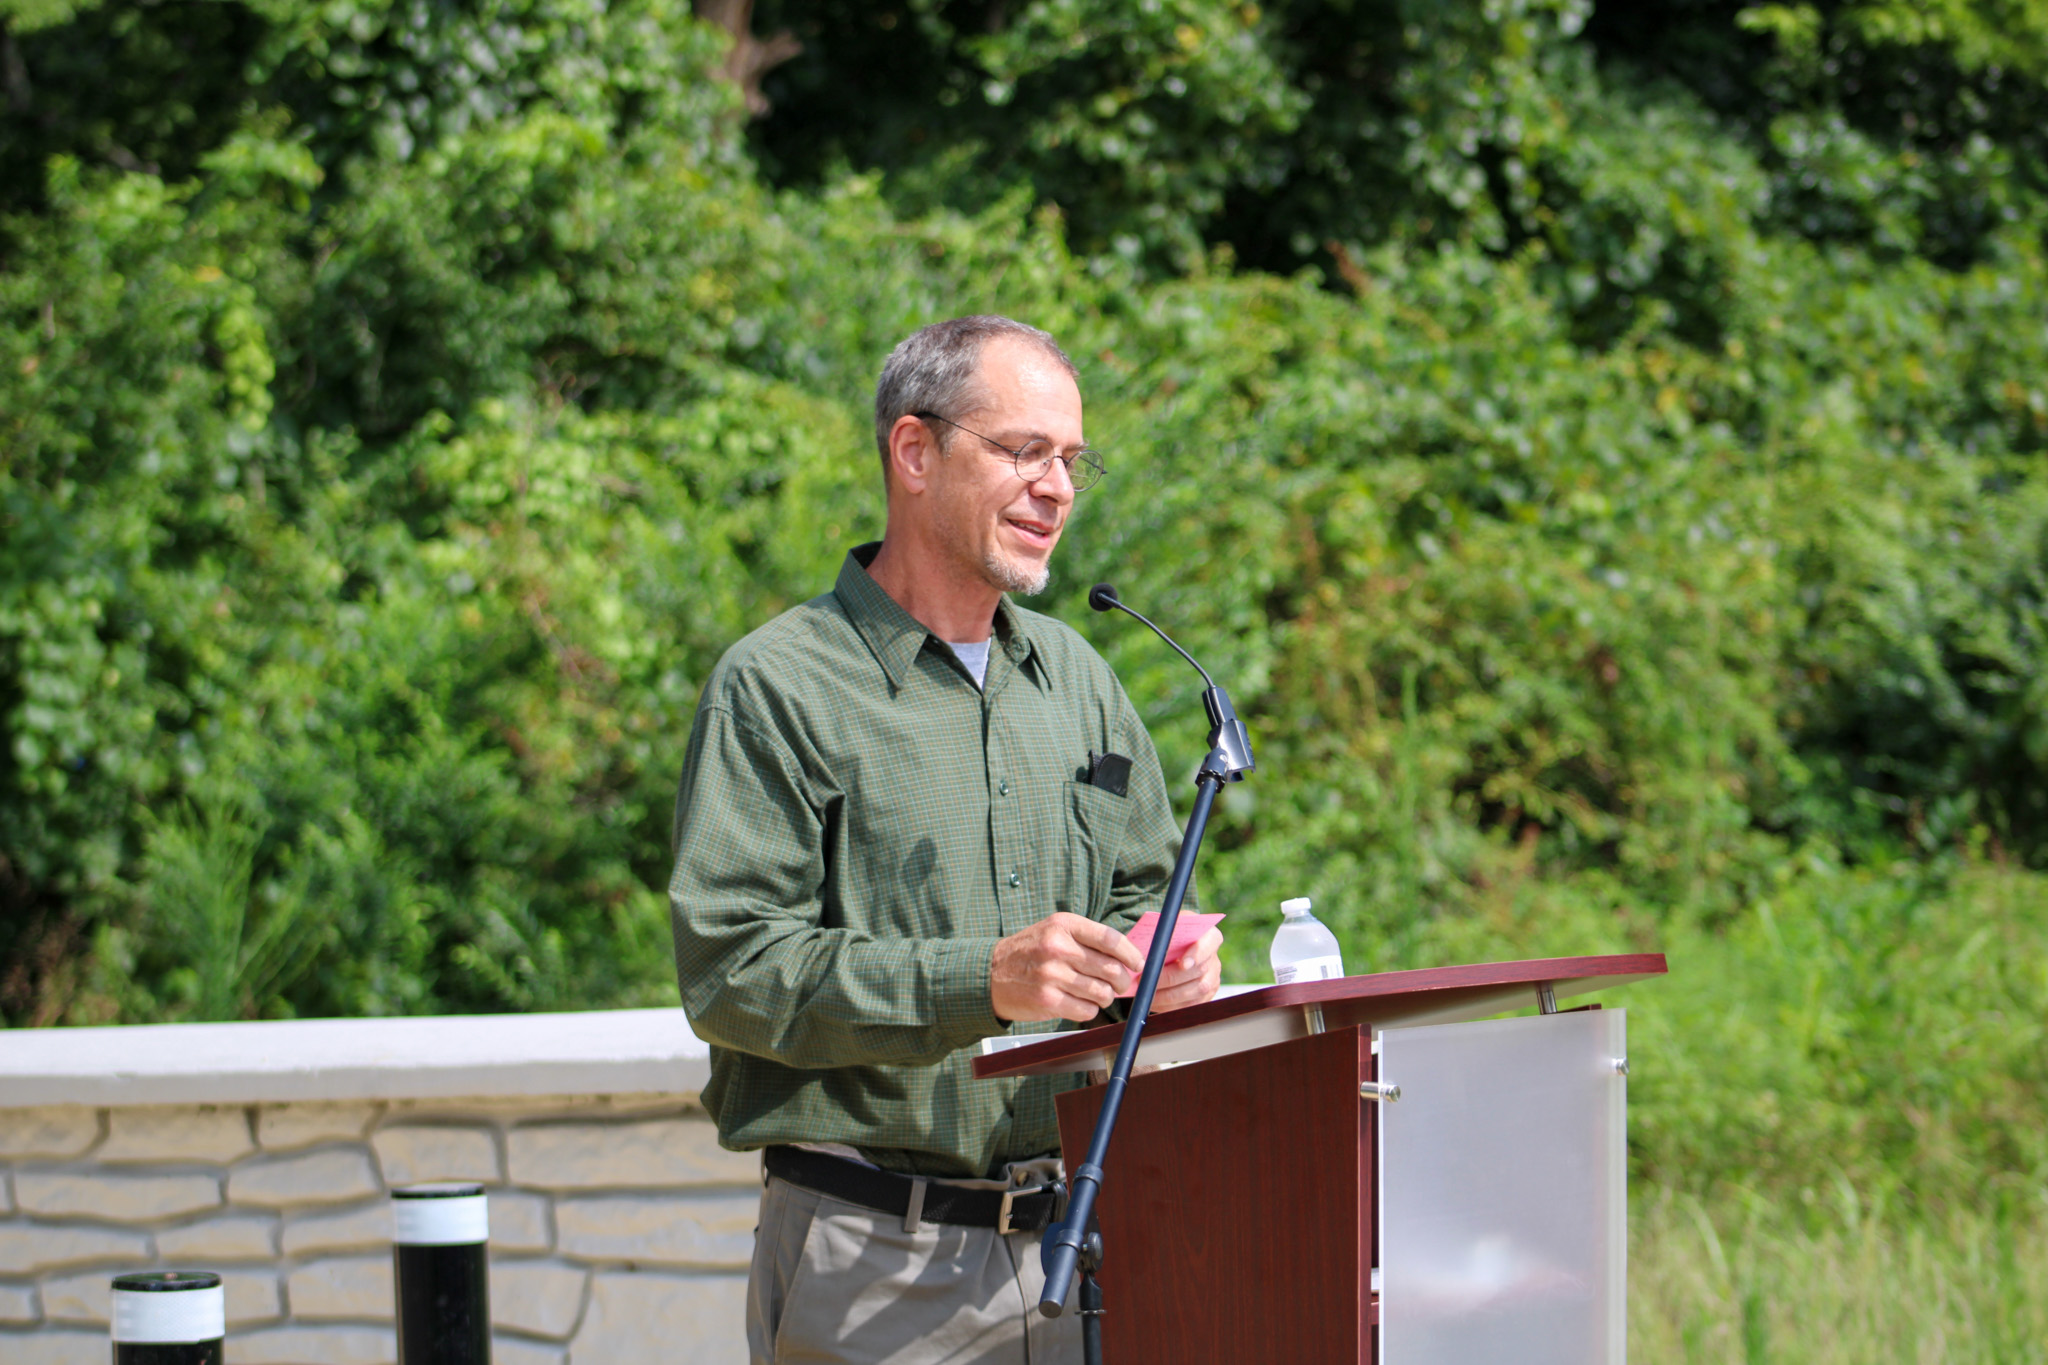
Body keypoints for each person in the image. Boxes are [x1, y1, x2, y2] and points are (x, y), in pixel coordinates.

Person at [668, 315, 1224, 1364]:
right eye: (1023, 451)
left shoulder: (1081, 681)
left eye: (1070, 459)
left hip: (1086, 1249)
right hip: (875, 1260)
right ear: (914, 453)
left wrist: (1155, 969)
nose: (1057, 486)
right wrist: (983, 981)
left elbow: (1131, 906)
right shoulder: (778, 685)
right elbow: (731, 972)